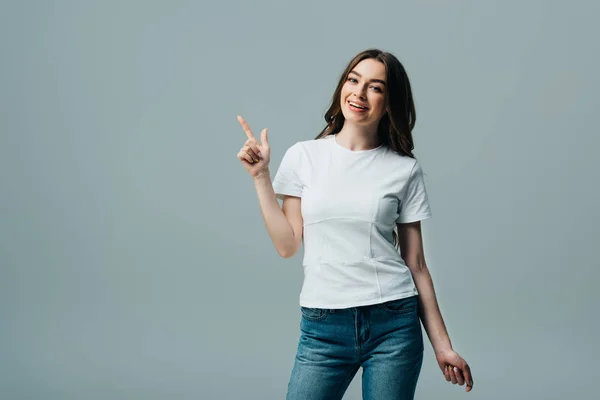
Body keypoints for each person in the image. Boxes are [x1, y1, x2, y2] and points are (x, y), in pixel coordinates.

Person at [236, 48, 474, 399]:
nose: (359, 94)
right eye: (353, 80)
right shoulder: (304, 156)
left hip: (393, 324)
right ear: (342, 87)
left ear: (389, 102)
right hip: (323, 327)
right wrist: (260, 178)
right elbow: (287, 246)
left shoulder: (404, 170)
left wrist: (443, 346)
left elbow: (417, 264)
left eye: (375, 87)